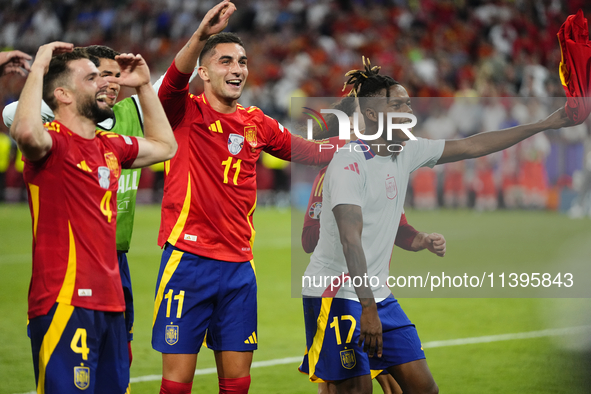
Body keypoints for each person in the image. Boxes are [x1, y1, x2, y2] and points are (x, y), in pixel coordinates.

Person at [300, 59, 574, 394]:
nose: (409, 111)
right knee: (357, 391)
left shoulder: (408, 151)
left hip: (376, 293)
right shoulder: (348, 163)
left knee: (424, 388)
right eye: (397, 105)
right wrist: (367, 310)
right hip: (336, 293)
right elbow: (350, 239)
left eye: (409, 104)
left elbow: (474, 145)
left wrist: (547, 123)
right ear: (372, 115)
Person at [152, 2, 341, 393]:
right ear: (203, 72)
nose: (237, 69)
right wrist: (201, 36)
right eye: (225, 61)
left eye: (241, 61)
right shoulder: (182, 112)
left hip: (239, 267)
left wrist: (361, 144)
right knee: (177, 385)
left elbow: (308, 151)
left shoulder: (257, 122)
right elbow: (171, 81)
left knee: (237, 384)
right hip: (189, 261)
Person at [10, 41, 176, 393]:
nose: (105, 83)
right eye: (91, 78)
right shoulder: (51, 143)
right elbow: (24, 131)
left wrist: (144, 87)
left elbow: (166, 146)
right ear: (63, 95)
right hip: (63, 299)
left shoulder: (110, 145)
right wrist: (38, 67)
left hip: (111, 301)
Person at [301, 96, 446, 394]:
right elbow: (308, 239)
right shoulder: (334, 170)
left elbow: (399, 227)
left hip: (375, 291)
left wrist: (419, 239)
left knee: (397, 386)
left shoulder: (383, 163)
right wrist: (342, 222)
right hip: (339, 289)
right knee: (350, 386)